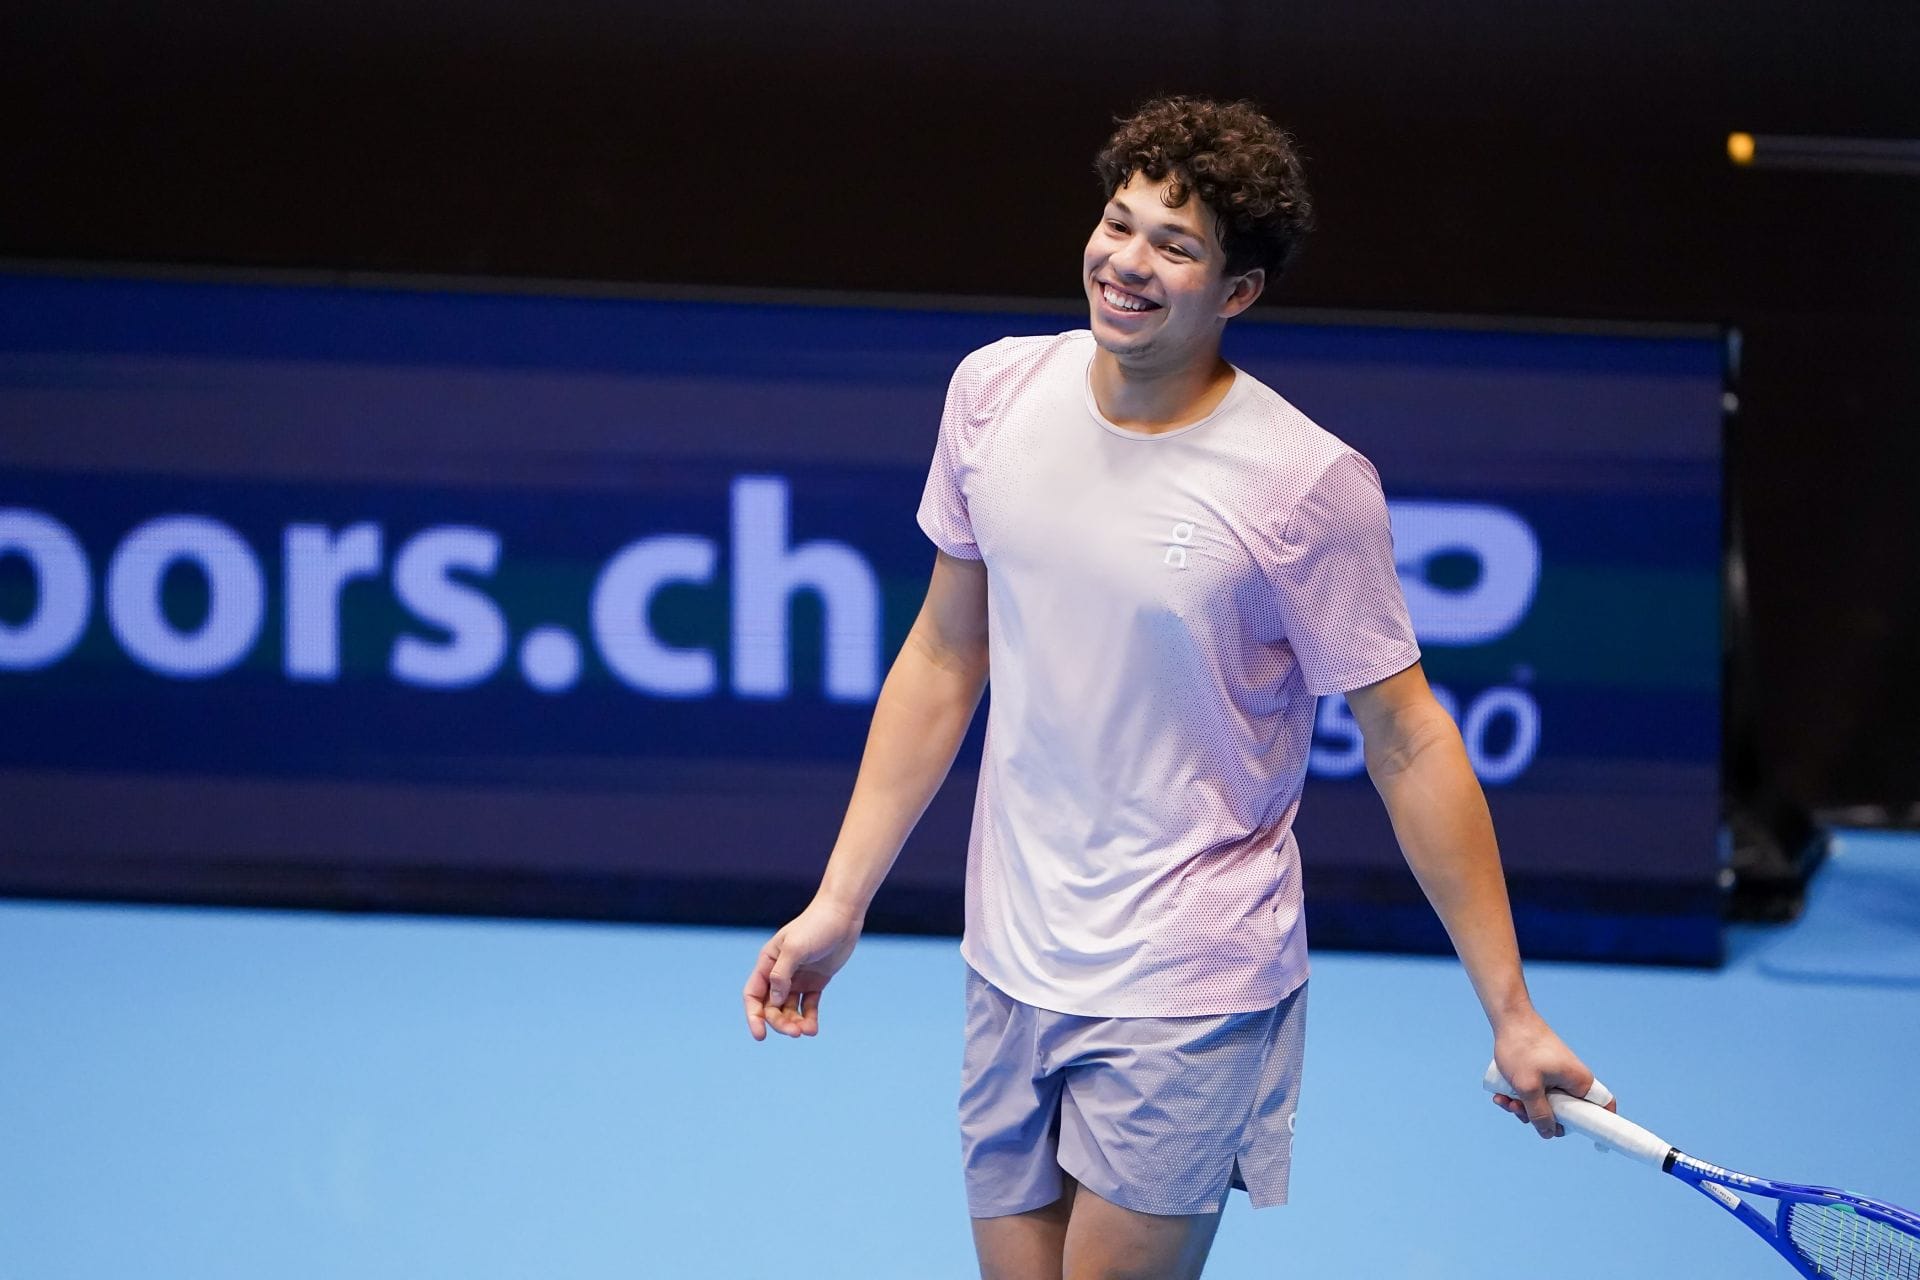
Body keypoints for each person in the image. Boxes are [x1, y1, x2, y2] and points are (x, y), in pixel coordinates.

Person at [743, 95, 1611, 1280]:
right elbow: (945, 656)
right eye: (1119, 221)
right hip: (1010, 953)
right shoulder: (993, 395)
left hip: (1189, 975)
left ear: (1236, 293)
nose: (1127, 262)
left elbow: (1410, 743)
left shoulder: (1305, 486)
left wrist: (1510, 1010)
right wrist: (842, 901)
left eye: (1176, 244)